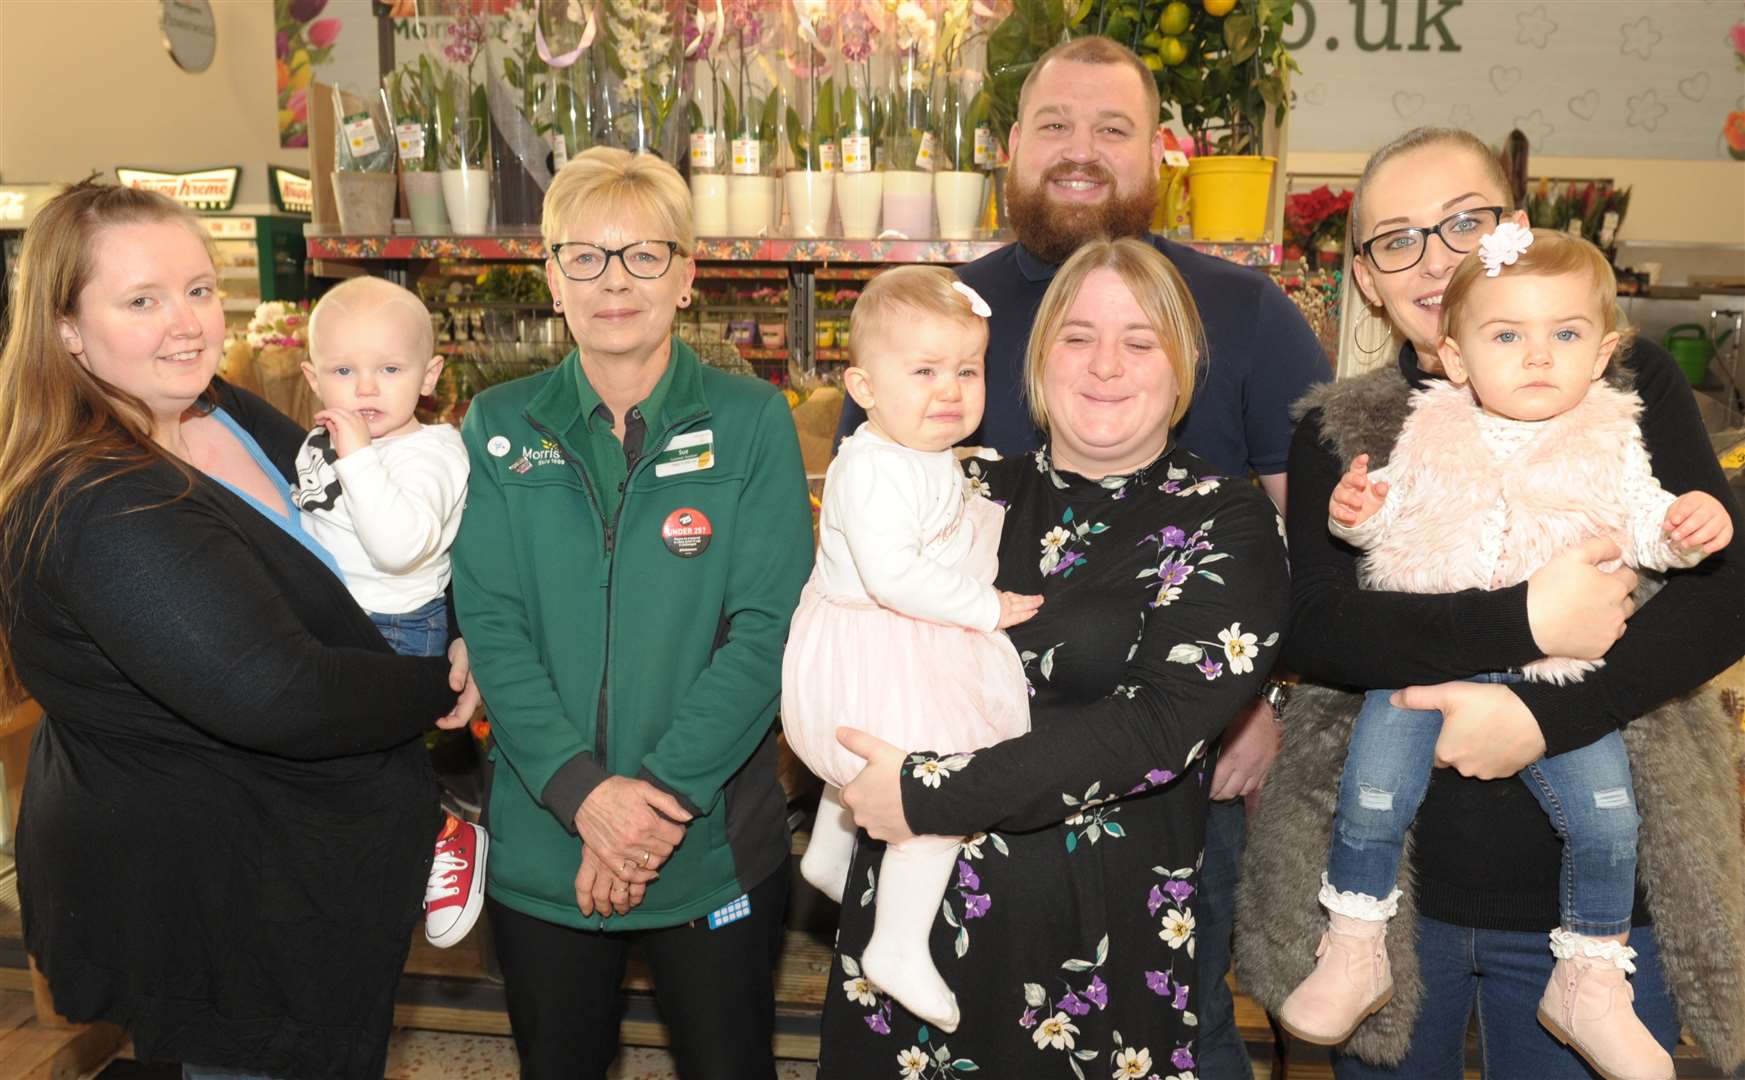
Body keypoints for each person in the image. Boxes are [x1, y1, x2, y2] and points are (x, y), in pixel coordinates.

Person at [833, 38, 1326, 1070]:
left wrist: (921, 791)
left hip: (1101, 944)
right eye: (1076, 339)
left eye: (1139, 342)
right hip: (914, 935)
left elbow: (1149, 729)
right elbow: (846, 605)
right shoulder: (964, 492)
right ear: (1033, 361)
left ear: (1181, 365)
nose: (1105, 366)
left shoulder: (1223, 525)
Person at [1237, 126, 1745, 1079]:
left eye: (1463, 222)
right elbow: (1318, 625)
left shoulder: (1620, 390)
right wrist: (1525, 622)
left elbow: (1721, 594)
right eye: (1397, 239)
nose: (1435, 259)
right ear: (1366, 280)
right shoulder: (1337, 429)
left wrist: (1539, 710)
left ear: (1514, 229)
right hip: (1398, 905)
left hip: (1601, 897)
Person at [0, 180, 476, 1079]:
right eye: (141, 300)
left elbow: (358, 547)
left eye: (199, 290)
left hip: (303, 870)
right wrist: (446, 679)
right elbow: (279, 694)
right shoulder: (101, 501)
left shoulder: (212, 405)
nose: (187, 324)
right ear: (67, 328)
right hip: (221, 901)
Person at [448, 147, 813, 1080]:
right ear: (552, 281)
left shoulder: (751, 421)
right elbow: (491, 629)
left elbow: (767, 631)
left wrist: (649, 809)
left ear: (686, 276)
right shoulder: (495, 426)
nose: (614, 281)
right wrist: (584, 798)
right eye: (585, 256)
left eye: (643, 255)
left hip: (709, 845)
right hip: (544, 838)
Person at [782, 266, 1038, 1032]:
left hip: (877, 646)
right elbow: (896, 576)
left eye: (966, 369)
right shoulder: (877, 471)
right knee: (940, 789)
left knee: (874, 757)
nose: (950, 389)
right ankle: (895, 945)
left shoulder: (913, 454)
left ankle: (829, 856)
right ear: (863, 385)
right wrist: (982, 607)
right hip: (878, 643)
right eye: (923, 371)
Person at [293, 275, 486, 950]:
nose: (366, 389)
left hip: (396, 629)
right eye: (345, 370)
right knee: (332, 771)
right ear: (312, 376)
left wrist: (358, 458)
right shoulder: (320, 442)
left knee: (373, 767)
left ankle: (444, 834)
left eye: (389, 369)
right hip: (331, 625)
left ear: (429, 375)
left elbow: (400, 548)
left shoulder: (430, 452)